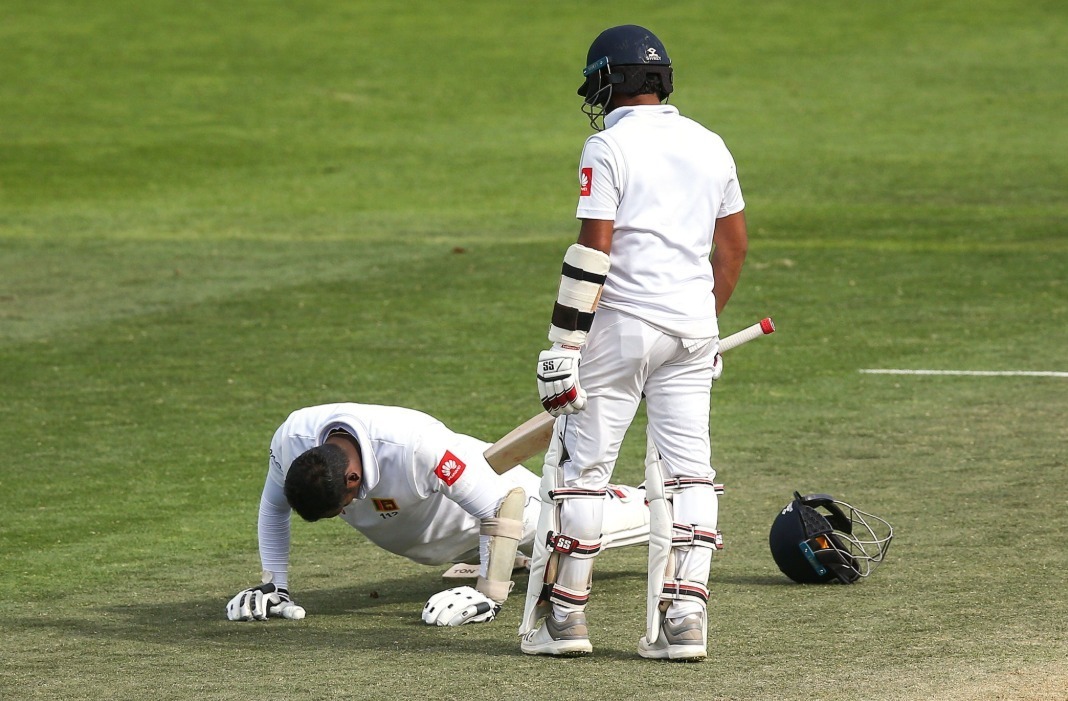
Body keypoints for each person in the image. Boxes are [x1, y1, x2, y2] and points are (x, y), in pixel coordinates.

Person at [523, 25, 748, 660]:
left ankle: (564, 621)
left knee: (584, 470)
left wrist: (565, 344)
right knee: (689, 473)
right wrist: (704, 327)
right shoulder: (711, 144)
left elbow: (594, 247)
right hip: (691, 328)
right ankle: (684, 623)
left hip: (620, 325)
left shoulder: (606, 146)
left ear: (611, 82)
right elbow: (732, 247)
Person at [225, 402, 649, 626]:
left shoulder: (414, 448)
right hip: (439, 541)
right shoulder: (291, 441)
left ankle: (657, 502)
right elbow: (272, 508)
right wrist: (273, 585)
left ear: (353, 479)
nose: (347, 513)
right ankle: (516, 563)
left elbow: (500, 509)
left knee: (575, 523)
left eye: (343, 506)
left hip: (496, 512)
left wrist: (488, 594)